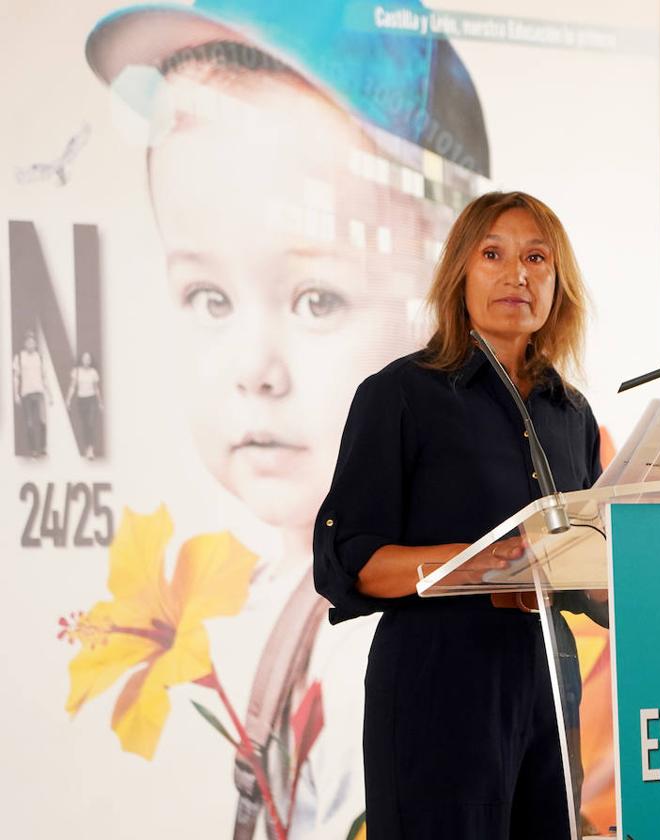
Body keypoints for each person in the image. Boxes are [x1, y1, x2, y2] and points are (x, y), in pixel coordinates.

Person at [84, 1, 490, 836]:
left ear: (444, 309)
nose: (253, 370)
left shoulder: (382, 652)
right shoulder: (270, 590)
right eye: (208, 296)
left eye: (316, 298)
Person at [314, 190, 605, 839]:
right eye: (493, 254)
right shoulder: (399, 396)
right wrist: (481, 567)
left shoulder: (571, 414)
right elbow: (348, 561)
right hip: (438, 693)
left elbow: (586, 577)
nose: (517, 275)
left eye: (537, 257)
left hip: (549, 697)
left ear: (558, 283)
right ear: (459, 274)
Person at [12, 329, 51, 457]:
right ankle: (33, 450)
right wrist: (16, 394)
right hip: (26, 393)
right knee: (29, 423)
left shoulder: (39, 357)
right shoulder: (19, 357)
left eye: (32, 342)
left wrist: (50, 394)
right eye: (28, 342)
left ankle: (43, 447)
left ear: (35, 344)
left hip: (39, 393)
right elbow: (16, 377)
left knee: (42, 421)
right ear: (25, 343)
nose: (30, 344)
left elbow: (44, 377)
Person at [65, 351, 104, 459]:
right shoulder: (76, 371)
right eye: (85, 358)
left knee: (91, 424)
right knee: (85, 425)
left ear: (90, 361)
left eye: (89, 359)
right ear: (81, 360)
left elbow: (96, 388)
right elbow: (72, 386)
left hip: (91, 400)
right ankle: (87, 448)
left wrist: (100, 402)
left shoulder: (93, 372)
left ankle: (91, 450)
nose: (87, 360)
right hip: (81, 400)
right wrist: (68, 400)